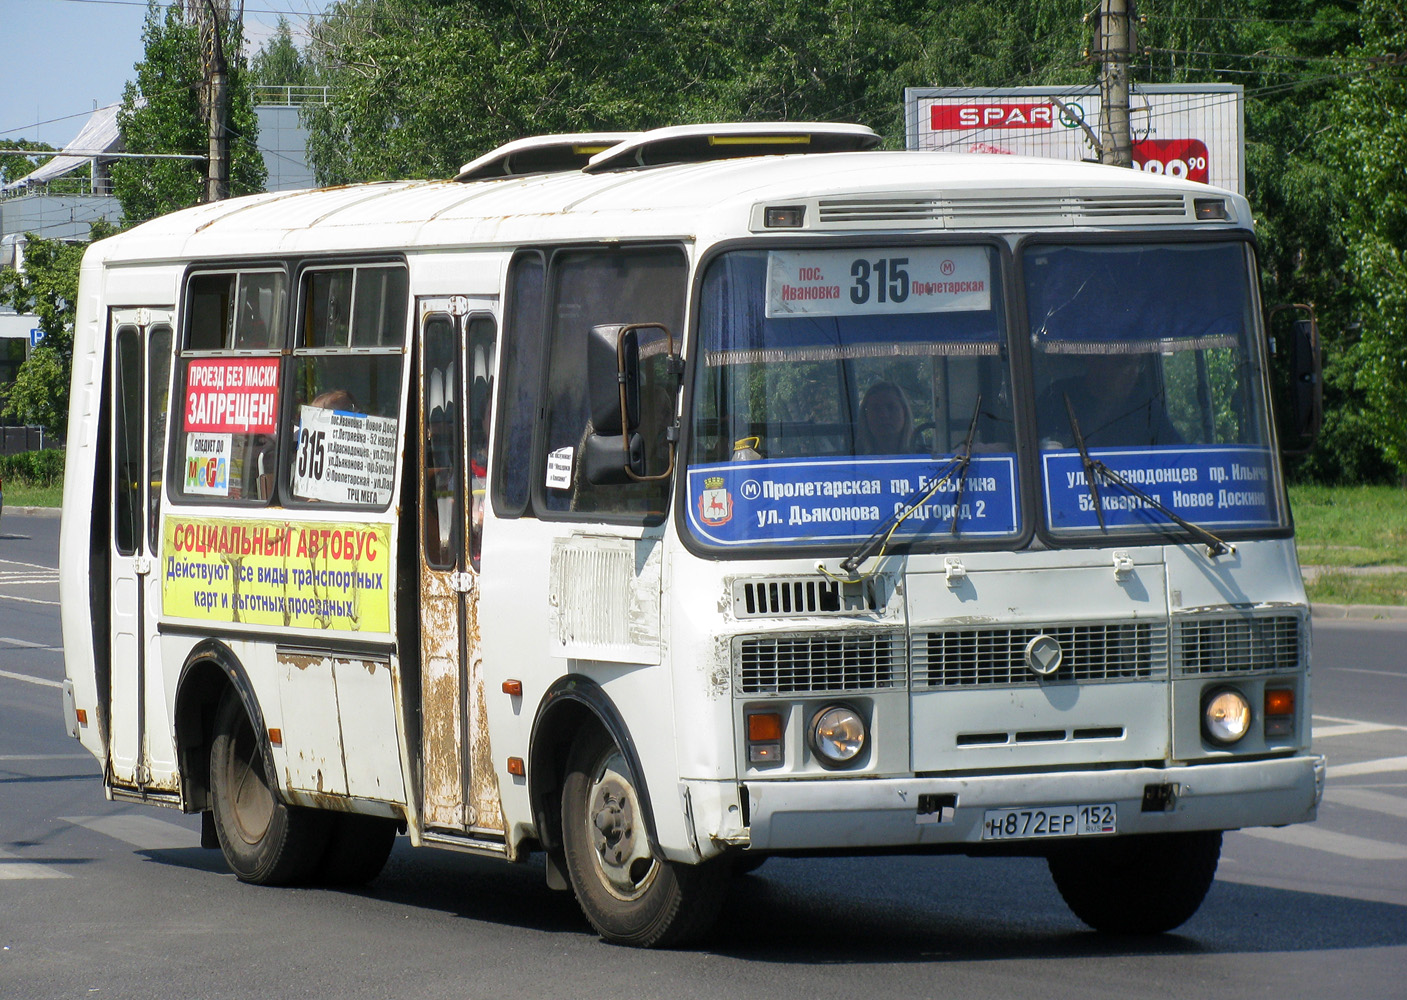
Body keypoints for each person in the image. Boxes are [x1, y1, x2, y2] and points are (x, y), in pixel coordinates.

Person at [1036, 352, 1181, 449]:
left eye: (1138, 364)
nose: (1133, 372)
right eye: (1124, 363)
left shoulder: (1145, 407)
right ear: (1094, 361)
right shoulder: (1057, 399)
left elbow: (1177, 457)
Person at [856, 380, 915, 455]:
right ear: (865, 416)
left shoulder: (925, 457)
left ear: (904, 412)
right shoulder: (853, 459)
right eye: (876, 409)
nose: (884, 415)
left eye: (891, 407)